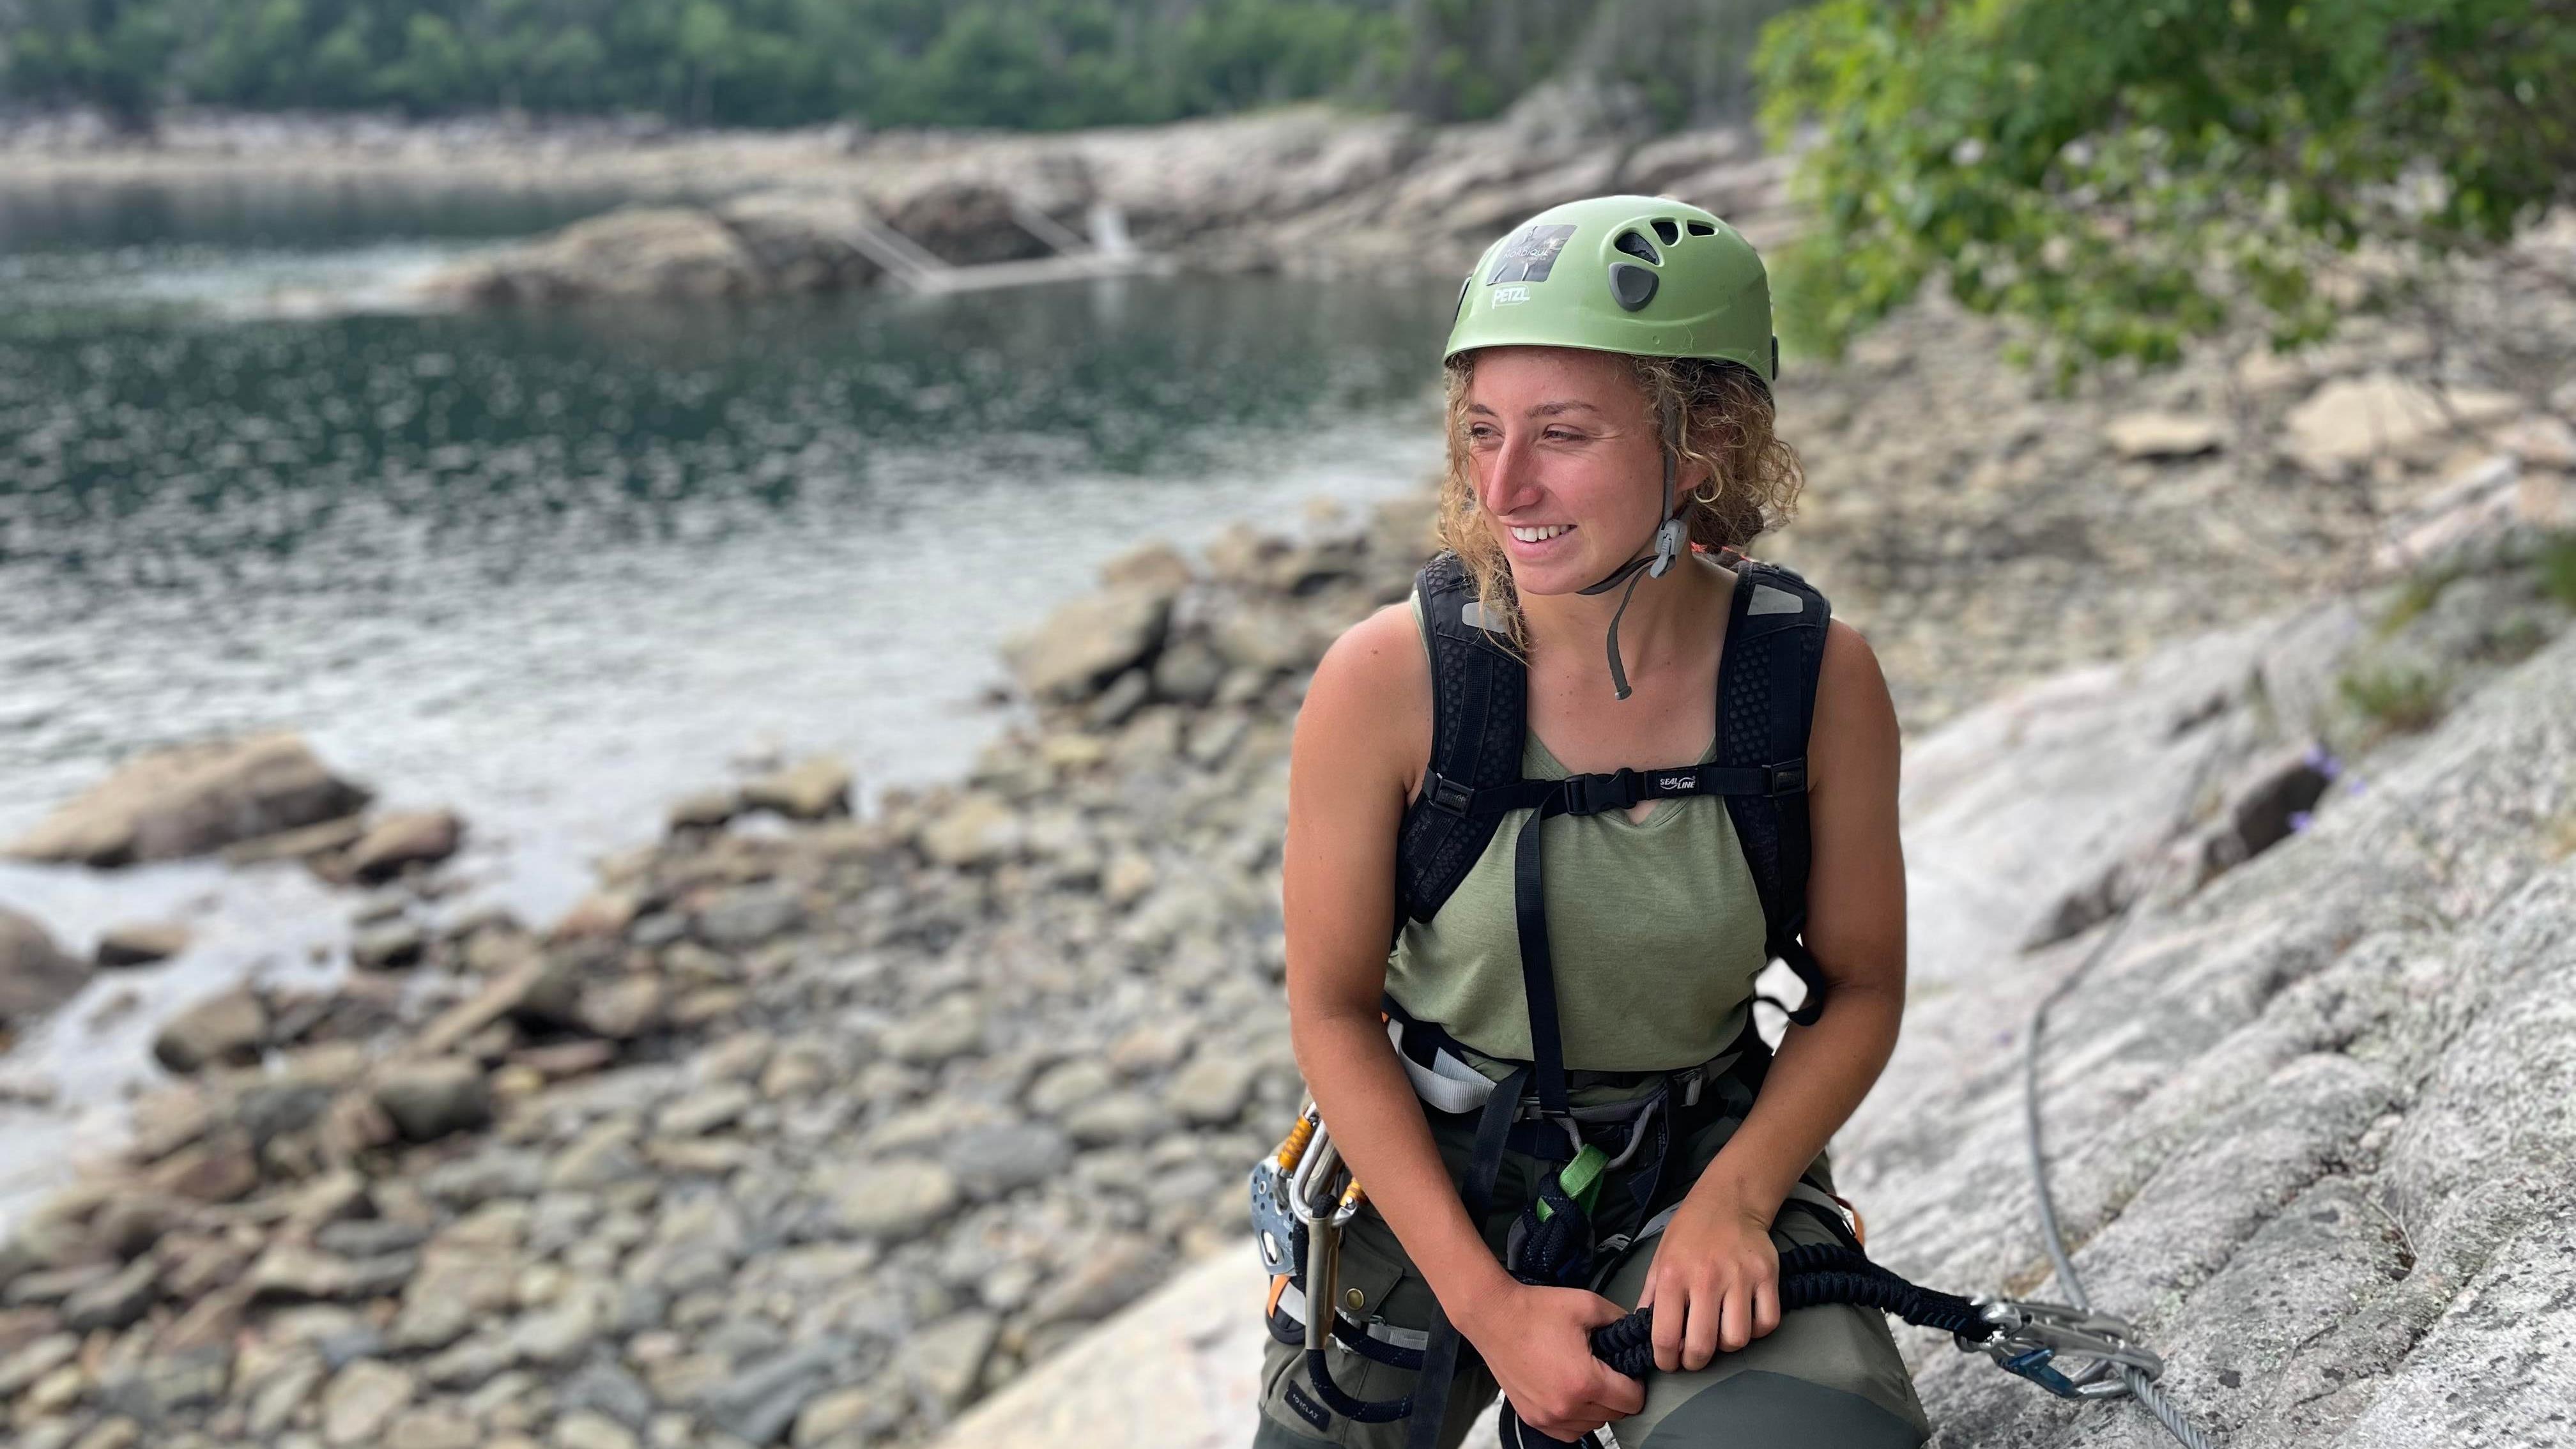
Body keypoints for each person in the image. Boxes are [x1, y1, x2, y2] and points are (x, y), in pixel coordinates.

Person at [1255, 195, 1933, 1448]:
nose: (1504, 484)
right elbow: (1332, 1011)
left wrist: (1734, 1204)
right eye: (1482, 432)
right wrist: (1491, 1309)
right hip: (1430, 1170)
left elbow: (1864, 986)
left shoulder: (1811, 681)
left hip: (1691, 1153)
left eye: (1562, 435)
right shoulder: (1390, 682)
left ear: (1703, 443)